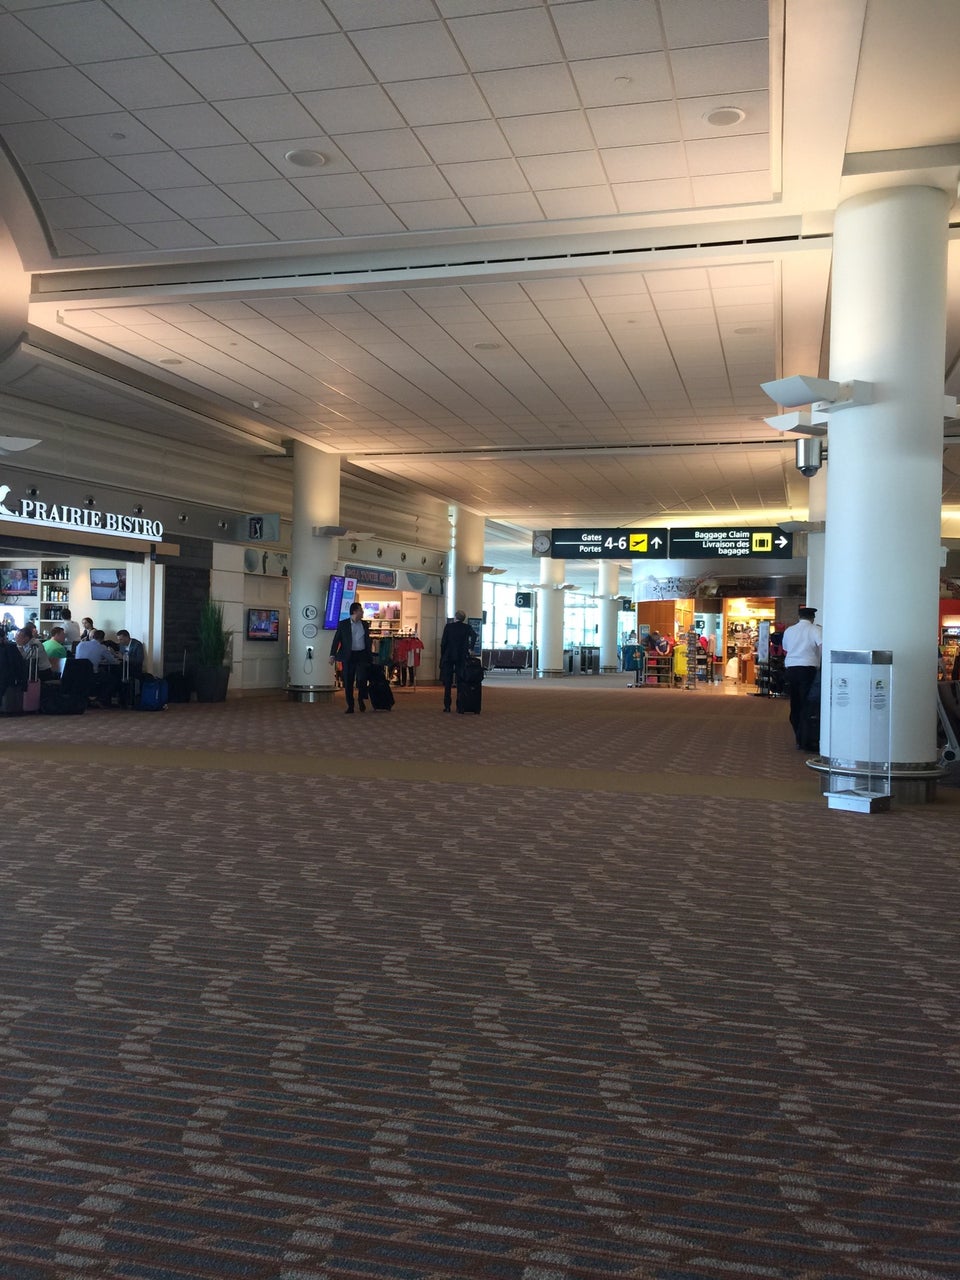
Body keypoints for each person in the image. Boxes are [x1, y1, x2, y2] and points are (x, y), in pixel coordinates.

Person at [781, 606, 823, 748]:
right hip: (808, 669)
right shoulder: (815, 630)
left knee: (795, 703)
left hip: (791, 669)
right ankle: (806, 738)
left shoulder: (789, 630)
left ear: (799, 617)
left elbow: (785, 650)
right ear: (812, 618)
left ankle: (799, 736)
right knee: (808, 704)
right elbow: (822, 646)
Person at [329, 601, 372, 714]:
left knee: (362, 679)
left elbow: (367, 640)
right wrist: (332, 655)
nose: (362, 612)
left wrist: (370, 654)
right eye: (361, 610)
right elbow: (336, 640)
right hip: (348, 656)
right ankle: (350, 705)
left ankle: (361, 699)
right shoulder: (343, 624)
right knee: (348, 681)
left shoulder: (365, 624)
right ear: (354, 612)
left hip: (362, 655)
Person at [439, 609, 477, 713]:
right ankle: (460, 705)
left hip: (449, 656)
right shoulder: (466, 627)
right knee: (461, 681)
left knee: (448, 682)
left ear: (455, 617)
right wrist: (470, 648)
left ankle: (447, 706)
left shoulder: (449, 627)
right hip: (461, 656)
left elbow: (443, 643)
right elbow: (474, 635)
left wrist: (443, 655)